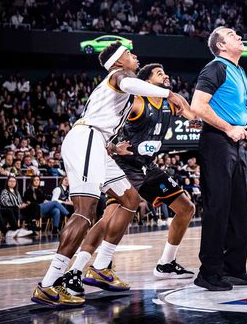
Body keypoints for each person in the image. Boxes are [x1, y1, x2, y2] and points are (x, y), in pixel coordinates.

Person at [31, 41, 190, 308]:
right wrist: (168, 94)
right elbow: (128, 85)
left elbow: (105, 120)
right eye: (129, 54)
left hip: (100, 144)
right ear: (118, 61)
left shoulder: (120, 86)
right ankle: (49, 284)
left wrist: (114, 147)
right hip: (86, 140)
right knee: (85, 212)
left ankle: (102, 265)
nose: (135, 55)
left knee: (129, 199)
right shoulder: (119, 76)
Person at [63, 64, 200, 298]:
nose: (166, 75)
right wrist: (113, 147)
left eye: (166, 72)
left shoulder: (169, 103)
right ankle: (75, 270)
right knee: (108, 219)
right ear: (146, 81)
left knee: (186, 208)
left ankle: (166, 263)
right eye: (159, 73)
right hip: (124, 166)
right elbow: (105, 127)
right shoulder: (134, 102)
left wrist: (196, 120)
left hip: (149, 166)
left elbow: (194, 116)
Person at [191, 27, 247, 291]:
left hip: (232, 143)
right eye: (232, 34)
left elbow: (227, 102)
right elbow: (198, 106)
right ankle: (208, 273)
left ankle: (233, 269)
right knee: (218, 207)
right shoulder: (215, 67)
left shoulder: (239, 70)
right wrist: (229, 127)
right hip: (217, 141)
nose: (239, 36)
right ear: (221, 45)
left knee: (237, 209)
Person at [0, 175, 34, 239]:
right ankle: (17, 230)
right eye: (10, 181)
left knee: (33, 206)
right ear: (7, 182)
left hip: (18, 209)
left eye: (14, 181)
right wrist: (18, 206)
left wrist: (23, 204)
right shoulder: (4, 191)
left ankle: (31, 226)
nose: (12, 182)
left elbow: (20, 202)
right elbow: (5, 203)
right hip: (10, 209)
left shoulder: (16, 192)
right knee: (14, 209)